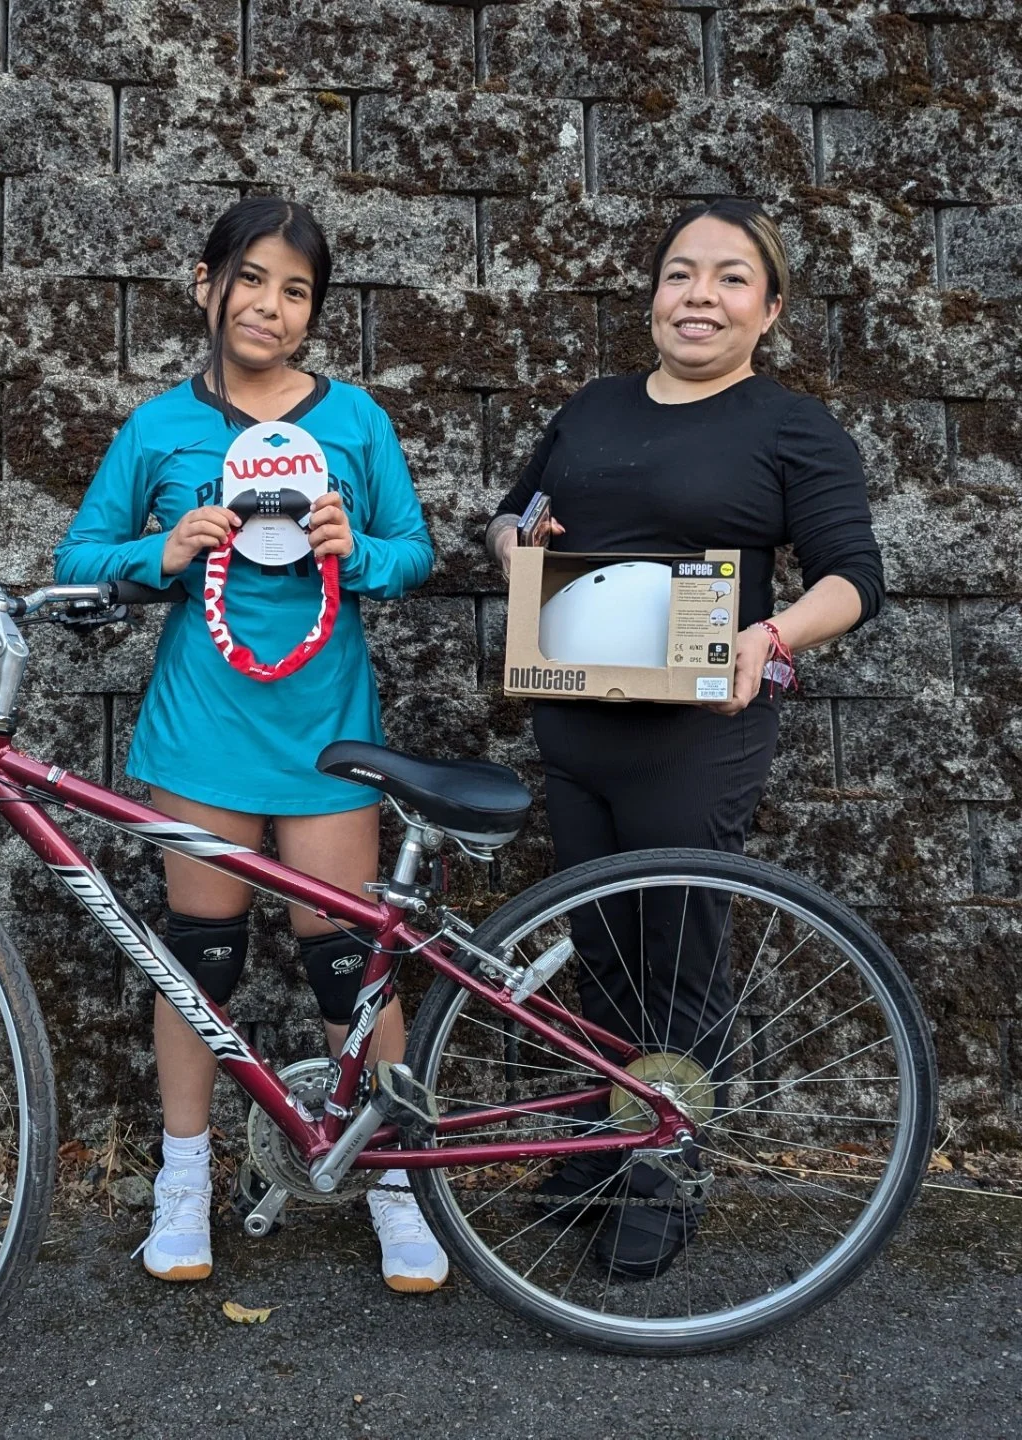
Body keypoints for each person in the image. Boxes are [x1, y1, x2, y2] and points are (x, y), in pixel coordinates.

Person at [486, 198, 885, 1277]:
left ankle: (667, 1169)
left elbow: (855, 577)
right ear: (654, 295)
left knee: (679, 950)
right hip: (575, 717)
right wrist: (519, 542)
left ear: (771, 309)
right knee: (600, 946)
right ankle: (602, 1146)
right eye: (679, 274)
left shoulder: (791, 426)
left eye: (730, 277)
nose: (699, 295)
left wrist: (773, 634)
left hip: (698, 735)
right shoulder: (593, 406)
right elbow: (511, 516)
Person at [54, 197, 445, 1292]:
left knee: (349, 961)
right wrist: (161, 550)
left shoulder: (355, 420)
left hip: (327, 734)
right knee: (199, 963)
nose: (271, 305)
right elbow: (79, 556)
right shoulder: (157, 427)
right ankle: (184, 1180)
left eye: (297, 290)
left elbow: (415, 551)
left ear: (315, 311)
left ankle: (394, 1180)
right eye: (254, 278)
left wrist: (358, 548)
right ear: (206, 283)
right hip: (203, 729)